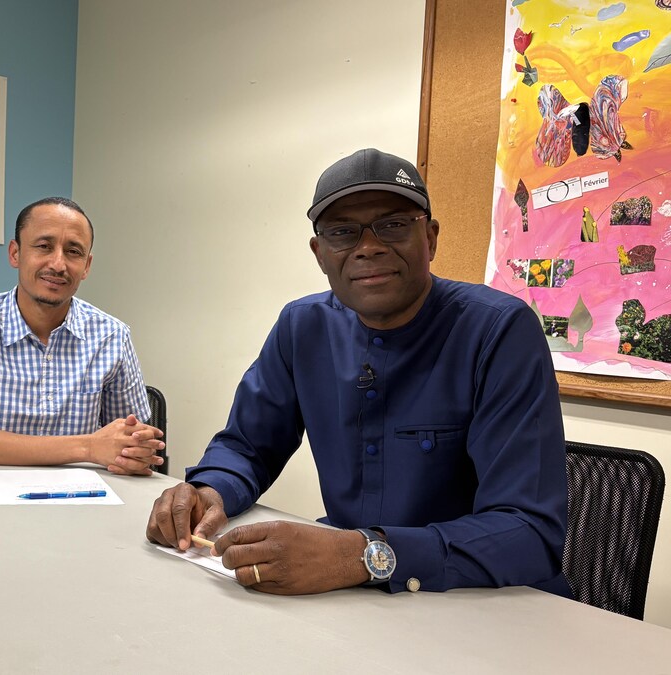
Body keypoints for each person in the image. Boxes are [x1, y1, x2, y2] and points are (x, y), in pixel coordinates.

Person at [146, 149, 569, 596]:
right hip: (351, 598)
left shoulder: (498, 330)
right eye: (343, 232)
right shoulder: (302, 326)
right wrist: (210, 490)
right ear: (320, 253)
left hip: (487, 605)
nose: (368, 246)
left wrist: (362, 554)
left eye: (393, 225)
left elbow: (529, 533)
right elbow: (249, 445)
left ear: (431, 237)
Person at [0, 196, 164, 475]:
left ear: (87, 266)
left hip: (87, 498)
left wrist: (136, 451)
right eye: (44, 246)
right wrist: (88, 447)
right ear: (15, 254)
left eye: (73, 252)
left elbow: (131, 445)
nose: (58, 264)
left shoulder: (111, 336)